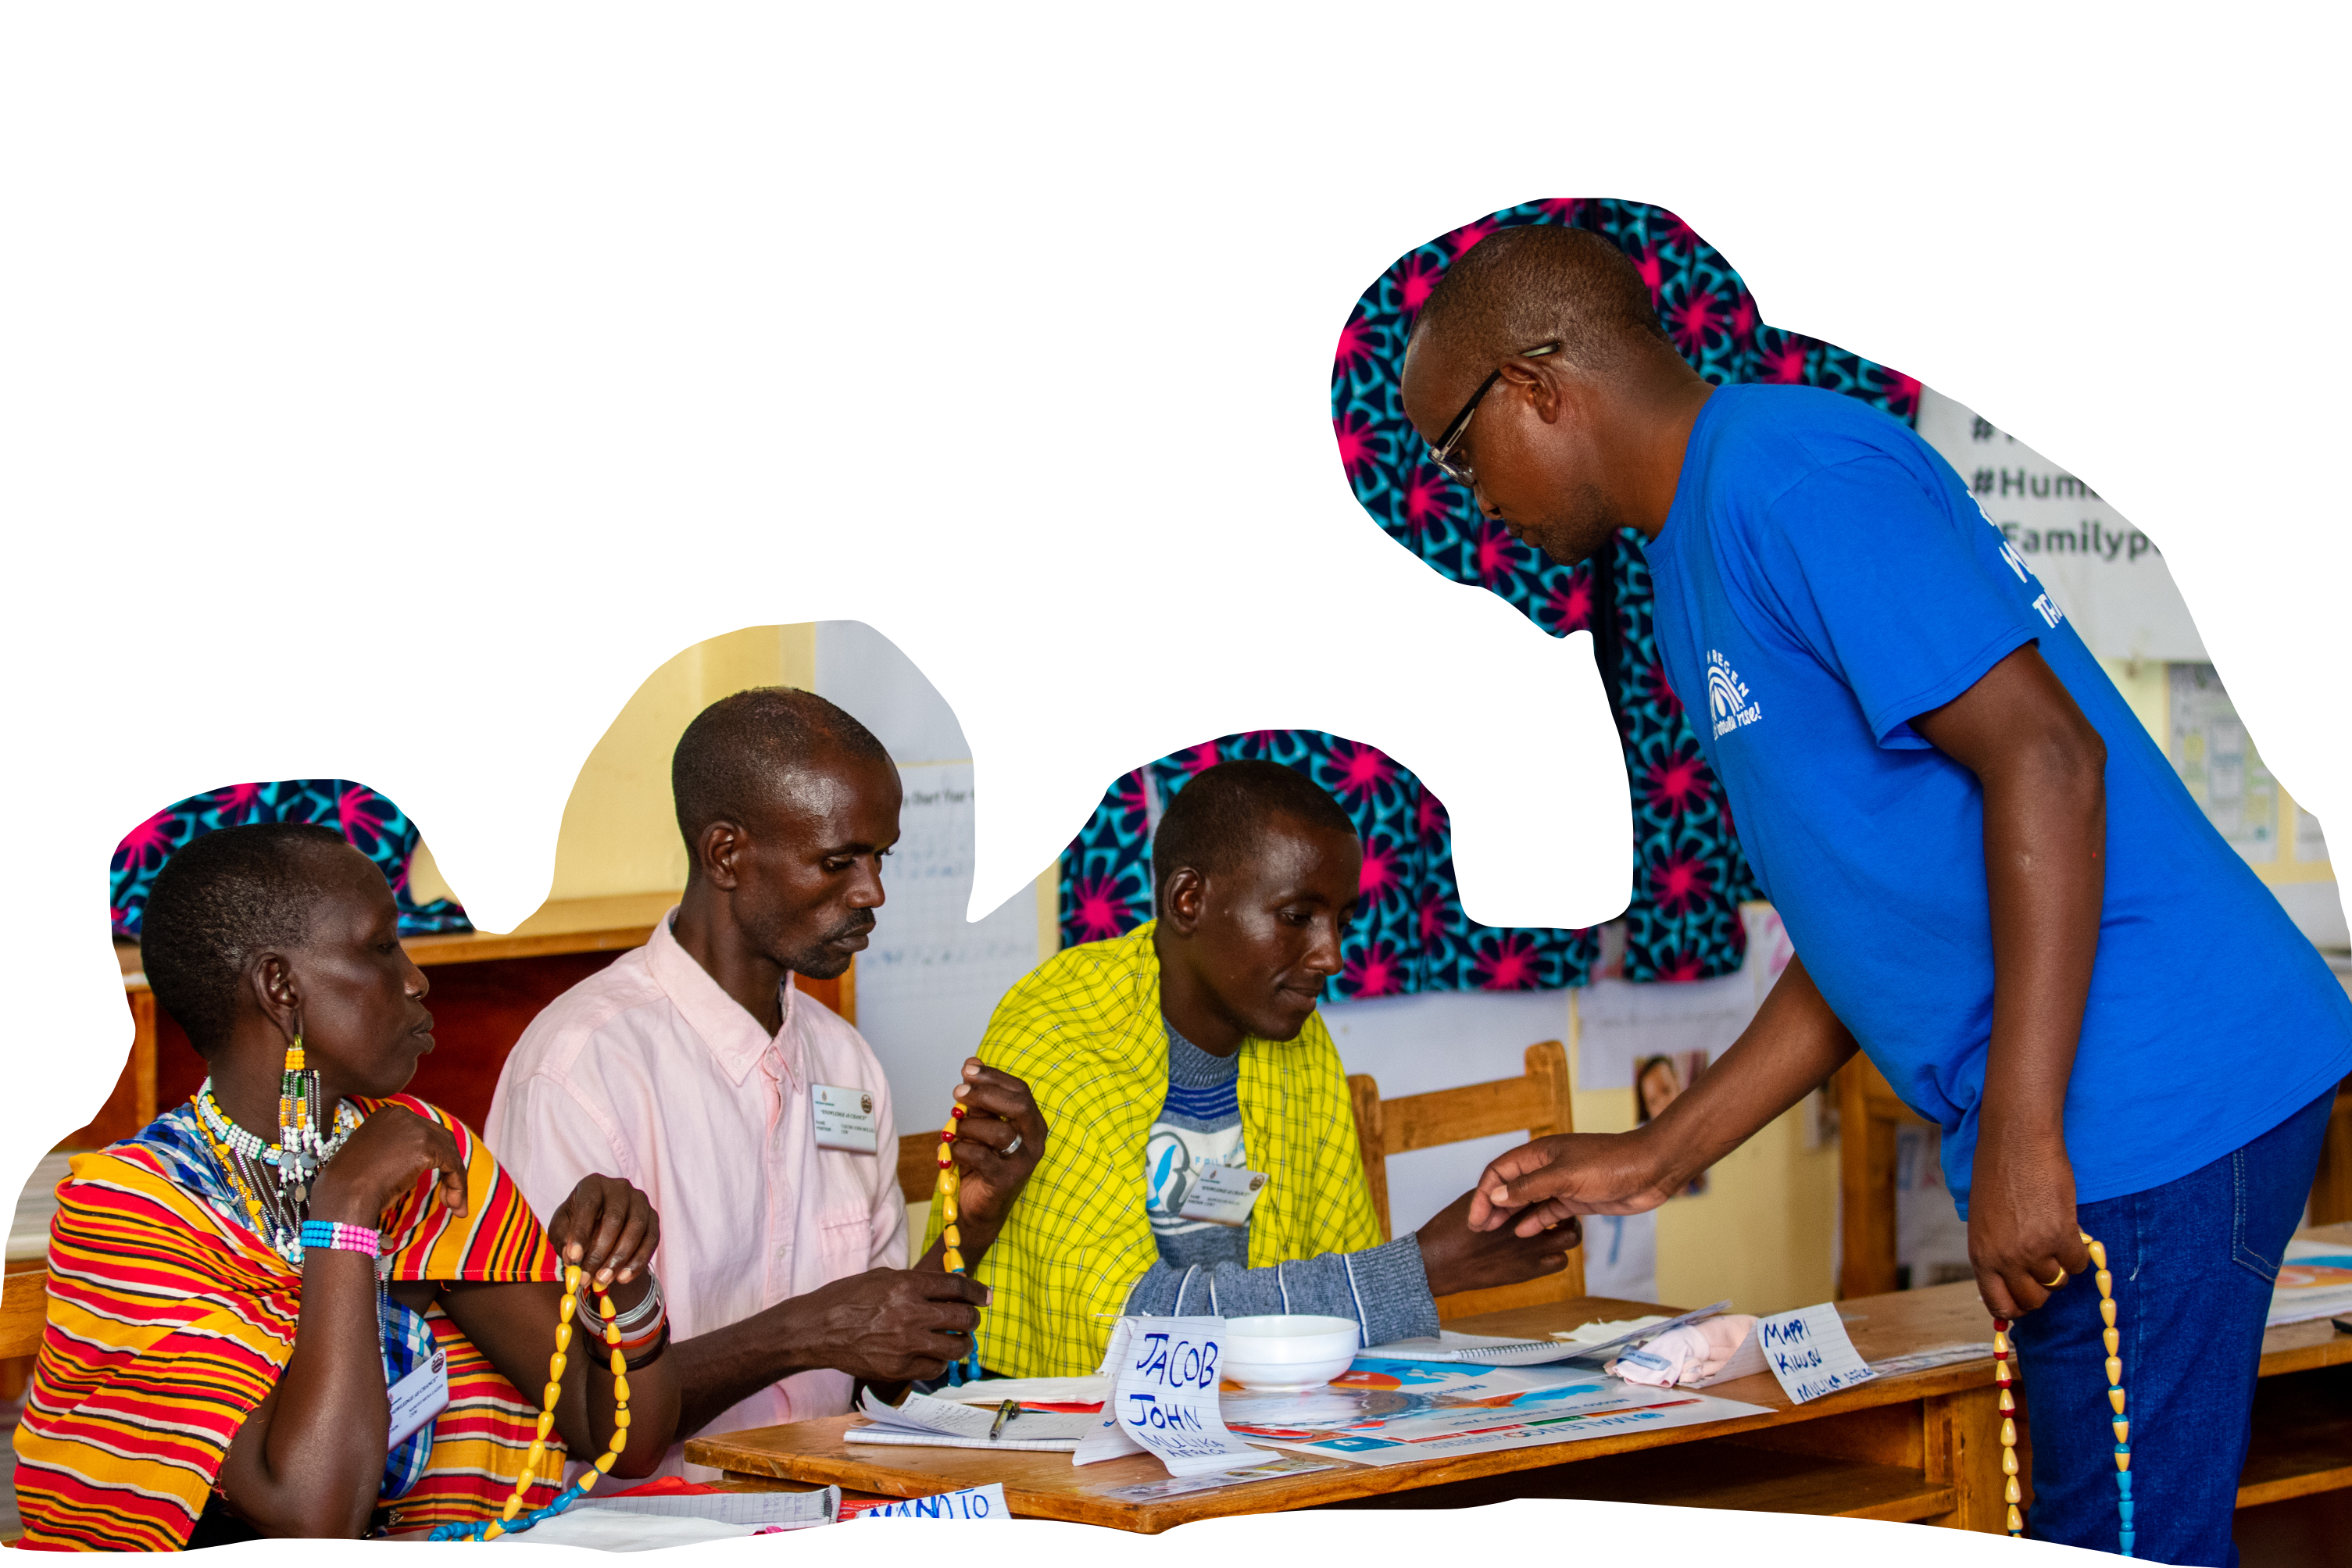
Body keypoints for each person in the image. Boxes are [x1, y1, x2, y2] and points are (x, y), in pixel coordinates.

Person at [1401, 223, 2352, 1566]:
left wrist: (2023, 1136)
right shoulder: (1685, 555)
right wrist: (1658, 1159)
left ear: (1536, 384)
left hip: (2155, 1096)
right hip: (2099, 1109)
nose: (1461, 494)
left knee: (2118, 1547)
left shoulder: (1793, 478)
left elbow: (2048, 757)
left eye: (1452, 446)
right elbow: (1860, 925)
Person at [9, 824, 682, 1568]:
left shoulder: (427, 1153)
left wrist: (622, 1278)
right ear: (280, 986)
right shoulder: (130, 1206)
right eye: (381, 947)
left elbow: (618, 1433)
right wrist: (348, 1206)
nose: (416, 978)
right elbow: (312, 1512)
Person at [487, 688, 1046, 1473]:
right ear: (725, 854)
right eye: (837, 861)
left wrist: (974, 1219)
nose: (872, 892)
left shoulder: (845, 1061)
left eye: (880, 856)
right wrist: (808, 1330)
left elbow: (876, 1374)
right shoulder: (583, 1070)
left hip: (829, 1507)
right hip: (644, 1535)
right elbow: (583, 1412)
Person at [957, 759, 1576, 1379]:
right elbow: (1123, 1326)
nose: (1331, 955)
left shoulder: (1302, 1043)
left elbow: (1344, 1278)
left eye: (1343, 922)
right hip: (1060, 1435)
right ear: (1188, 900)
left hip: (1257, 1415)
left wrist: (1412, 1271)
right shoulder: (1062, 1028)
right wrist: (1425, 1267)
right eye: (1297, 916)